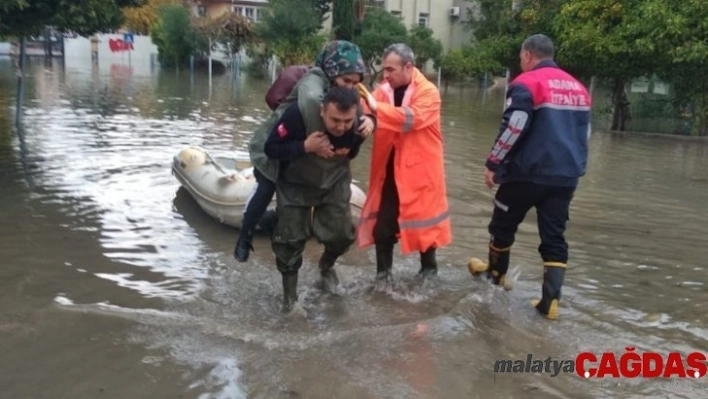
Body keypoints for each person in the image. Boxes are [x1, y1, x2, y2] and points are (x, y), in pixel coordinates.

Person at [468, 34, 592, 320]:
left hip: (526, 175)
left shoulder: (526, 83)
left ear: (527, 55)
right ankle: (550, 302)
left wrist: (493, 163)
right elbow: (584, 134)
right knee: (554, 237)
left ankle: (495, 277)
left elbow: (516, 125)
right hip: (565, 177)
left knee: (502, 226)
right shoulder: (578, 88)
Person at [233, 41, 375, 262]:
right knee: (266, 186)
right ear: (333, 71)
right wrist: (320, 144)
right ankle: (245, 236)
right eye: (346, 81)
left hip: (303, 147)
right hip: (276, 140)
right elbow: (313, 103)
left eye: (355, 83)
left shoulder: (348, 89)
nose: (350, 87)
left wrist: (370, 121)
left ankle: (275, 222)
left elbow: (355, 114)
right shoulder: (314, 80)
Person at [264, 86, 367, 314]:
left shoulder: (359, 123)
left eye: (347, 121)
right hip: (295, 184)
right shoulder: (297, 115)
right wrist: (305, 146)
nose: (341, 127)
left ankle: (326, 266)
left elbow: (352, 151)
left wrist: (368, 127)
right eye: (335, 120)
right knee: (289, 241)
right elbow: (270, 148)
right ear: (322, 111)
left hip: (333, 182)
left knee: (343, 235)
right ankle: (290, 300)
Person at [356, 43, 452, 286]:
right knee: (382, 228)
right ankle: (382, 279)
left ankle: (429, 275)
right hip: (391, 170)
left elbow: (412, 118)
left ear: (408, 67)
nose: (385, 75)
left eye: (390, 69)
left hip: (421, 174)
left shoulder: (428, 92)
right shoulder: (384, 90)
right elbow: (368, 109)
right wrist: (369, 117)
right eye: (384, 69)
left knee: (425, 230)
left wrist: (377, 112)